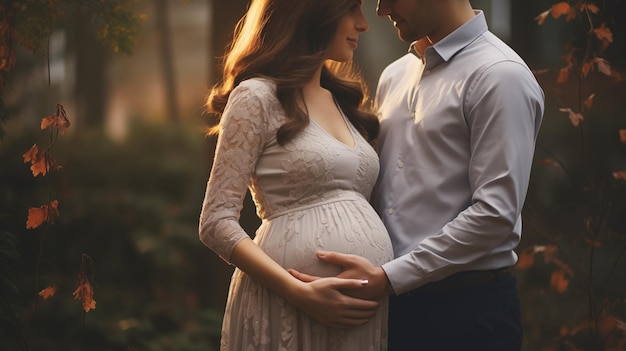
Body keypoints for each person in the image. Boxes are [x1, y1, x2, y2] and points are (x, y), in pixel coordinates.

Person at [289, 0, 545, 350]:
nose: (381, 11)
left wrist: (390, 277)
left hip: (466, 314)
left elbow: (495, 215)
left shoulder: (500, 76)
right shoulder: (394, 75)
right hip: (389, 306)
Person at [198, 0, 394, 349]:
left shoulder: (343, 103)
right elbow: (215, 221)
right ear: (313, 11)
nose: (363, 24)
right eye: (351, 9)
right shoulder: (256, 96)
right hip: (287, 304)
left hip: (360, 318)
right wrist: (300, 292)